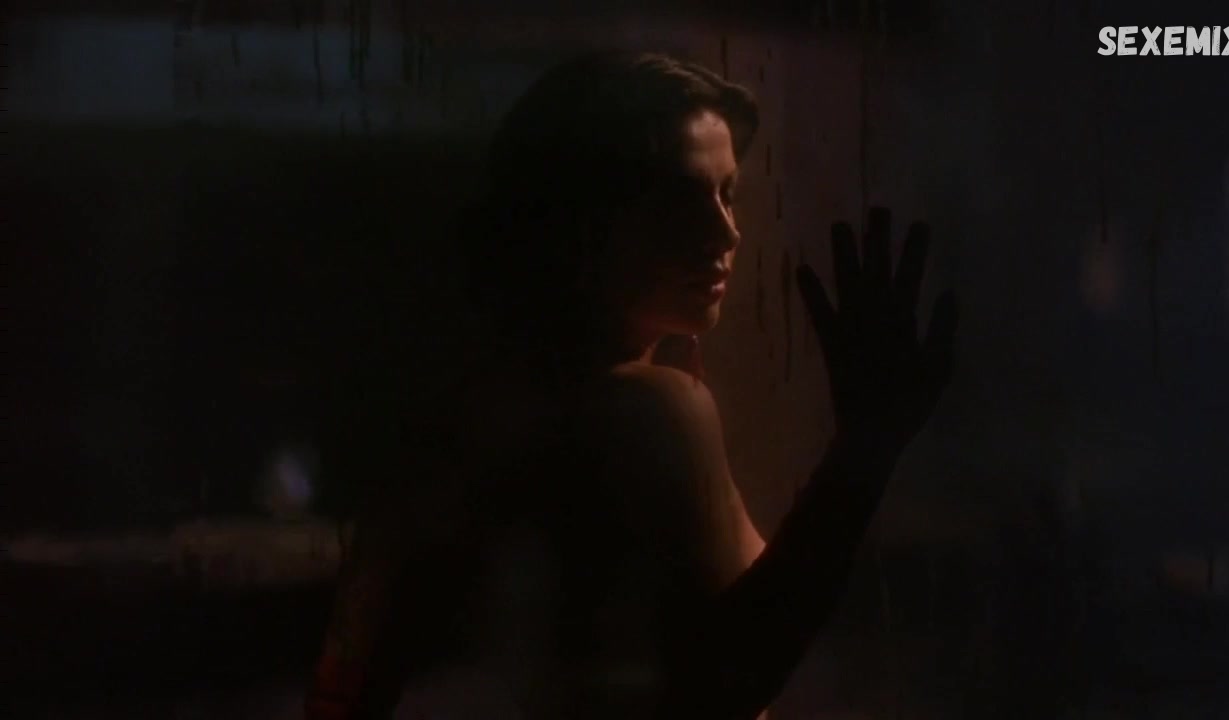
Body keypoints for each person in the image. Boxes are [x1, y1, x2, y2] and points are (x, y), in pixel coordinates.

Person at [304, 50, 958, 720]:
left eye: (728, 193)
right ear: (583, 220)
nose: (726, 232)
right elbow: (726, 681)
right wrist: (865, 448)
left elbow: (346, 689)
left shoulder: (474, 410)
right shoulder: (647, 409)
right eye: (682, 199)